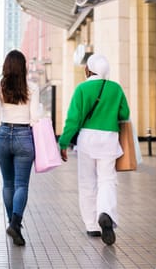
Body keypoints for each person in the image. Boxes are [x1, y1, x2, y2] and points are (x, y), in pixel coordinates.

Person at [58, 54, 130, 246]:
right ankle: (105, 212)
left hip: (87, 140)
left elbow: (73, 120)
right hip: (109, 138)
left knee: (87, 182)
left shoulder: (81, 88)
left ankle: (92, 225)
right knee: (107, 180)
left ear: (88, 70)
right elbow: (125, 114)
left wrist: (63, 143)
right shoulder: (115, 88)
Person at [0, 49, 40, 246]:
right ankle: (15, 224)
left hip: (2, 135)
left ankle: (12, 223)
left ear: (6, 67)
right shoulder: (32, 87)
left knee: (8, 184)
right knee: (21, 185)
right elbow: (34, 118)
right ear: (23, 67)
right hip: (25, 136)